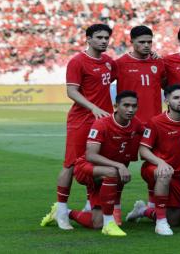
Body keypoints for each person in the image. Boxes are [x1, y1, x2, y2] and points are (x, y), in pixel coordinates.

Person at [41, 24, 117, 230]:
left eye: (106, 38)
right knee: (71, 164)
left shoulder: (110, 63)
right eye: (99, 37)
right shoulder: (77, 62)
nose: (103, 41)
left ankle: (90, 204)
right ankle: (62, 209)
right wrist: (93, 107)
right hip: (81, 120)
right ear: (88, 39)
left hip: (102, 122)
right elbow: (72, 92)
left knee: (96, 163)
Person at [41, 90, 144, 236]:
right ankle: (109, 224)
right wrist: (119, 165)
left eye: (134, 106)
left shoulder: (136, 124)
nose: (130, 110)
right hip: (86, 168)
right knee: (113, 172)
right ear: (116, 106)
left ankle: (65, 213)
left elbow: (150, 137)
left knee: (96, 223)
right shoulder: (101, 124)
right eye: (126, 105)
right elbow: (90, 155)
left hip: (104, 176)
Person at [125, 84, 180, 236]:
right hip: (154, 169)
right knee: (164, 174)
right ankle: (160, 223)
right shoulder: (156, 122)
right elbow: (143, 150)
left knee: (176, 221)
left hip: (179, 177)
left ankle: (143, 210)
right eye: (176, 98)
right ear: (167, 101)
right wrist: (161, 162)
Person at [114, 26, 165, 225]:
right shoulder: (120, 64)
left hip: (153, 125)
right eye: (142, 42)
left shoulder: (158, 63)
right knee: (120, 167)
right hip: (129, 125)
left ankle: (150, 208)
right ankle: (115, 210)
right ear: (132, 42)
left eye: (149, 42)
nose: (146, 45)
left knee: (154, 167)